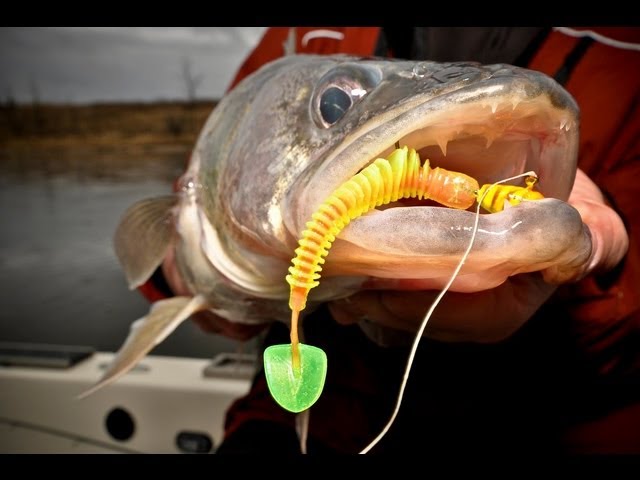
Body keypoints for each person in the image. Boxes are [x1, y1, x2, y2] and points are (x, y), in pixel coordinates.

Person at [143, 27, 640, 454]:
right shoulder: (306, 35)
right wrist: (186, 271)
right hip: (319, 418)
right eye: (333, 105)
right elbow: (213, 181)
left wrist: (597, 270)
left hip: (561, 427)